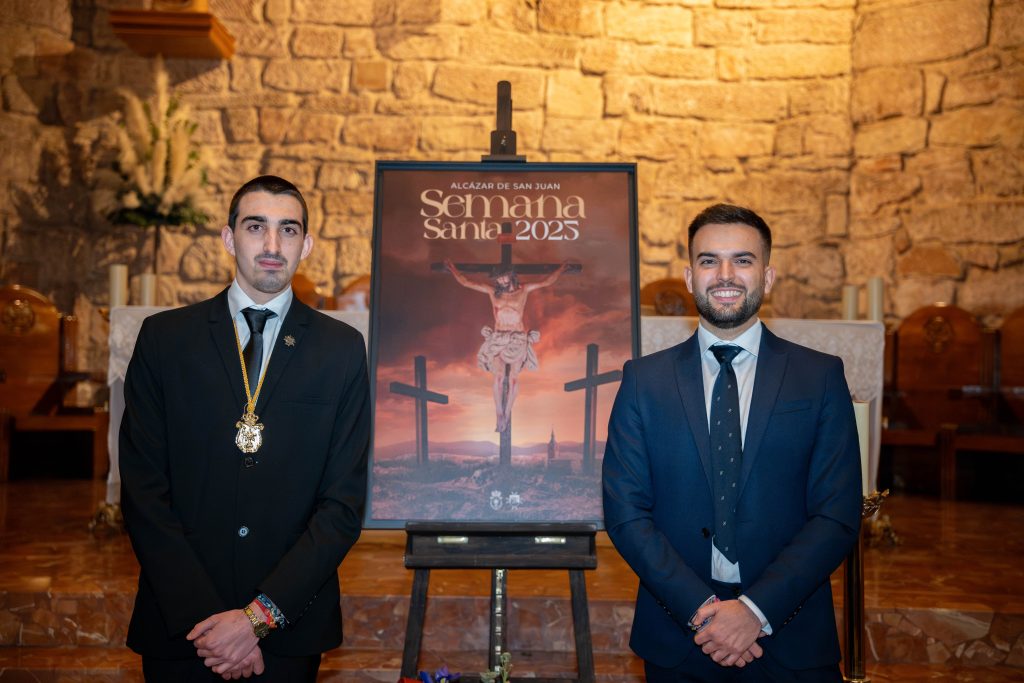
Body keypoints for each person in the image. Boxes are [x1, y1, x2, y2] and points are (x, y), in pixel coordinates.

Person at [120, 175, 370, 681]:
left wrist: (258, 619)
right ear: (229, 238)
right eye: (256, 227)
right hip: (182, 627)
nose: (273, 246)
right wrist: (211, 625)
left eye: (289, 230)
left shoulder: (341, 349)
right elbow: (144, 490)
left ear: (308, 244)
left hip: (288, 628)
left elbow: (342, 504)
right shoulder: (165, 340)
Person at [602, 203, 862, 682]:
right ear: (689, 276)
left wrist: (754, 612)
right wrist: (704, 611)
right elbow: (625, 512)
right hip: (681, 637)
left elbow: (836, 514)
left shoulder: (819, 377)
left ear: (768, 276)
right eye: (708, 261)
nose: (725, 274)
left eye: (743, 260)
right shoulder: (643, 381)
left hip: (790, 635)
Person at [444, 259, 570, 432]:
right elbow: (467, 282)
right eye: (498, 279)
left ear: (510, 275)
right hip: (498, 339)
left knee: (512, 379)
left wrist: (561, 269)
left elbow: (545, 281)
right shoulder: (492, 292)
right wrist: (453, 269)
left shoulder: (523, 290)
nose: (500, 281)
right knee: (498, 377)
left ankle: (507, 412)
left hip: (517, 339)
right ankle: (498, 413)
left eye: (502, 277)